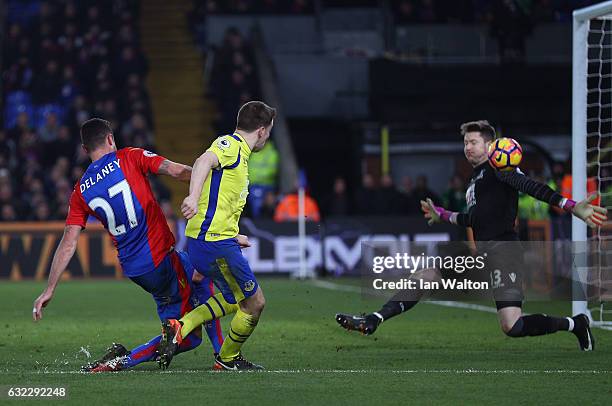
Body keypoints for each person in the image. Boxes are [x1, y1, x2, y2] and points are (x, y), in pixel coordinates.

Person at [336, 120, 607, 351]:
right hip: (482, 254)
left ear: (490, 146)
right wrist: (441, 214)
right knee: (426, 276)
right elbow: (472, 219)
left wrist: (571, 206)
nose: (467, 147)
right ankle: (374, 318)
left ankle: (576, 324)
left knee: (512, 326)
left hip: (505, 253)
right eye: (465, 142)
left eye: (473, 142)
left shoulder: (501, 169)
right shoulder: (476, 180)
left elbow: (530, 186)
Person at [32, 118, 223, 371]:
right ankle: (221, 357)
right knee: (192, 321)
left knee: (196, 287)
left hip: (137, 270)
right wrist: (211, 178)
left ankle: (119, 361)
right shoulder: (129, 157)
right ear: (110, 139)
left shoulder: (80, 191)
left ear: (85, 149)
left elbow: (68, 242)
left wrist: (49, 289)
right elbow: (177, 171)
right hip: (160, 258)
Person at [157, 101, 276, 371]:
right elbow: (203, 161)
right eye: (268, 131)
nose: (268, 136)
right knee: (255, 303)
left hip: (216, 241)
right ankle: (228, 358)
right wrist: (193, 196)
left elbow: (221, 202)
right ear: (260, 131)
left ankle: (181, 326)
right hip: (212, 243)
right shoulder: (230, 145)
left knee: (234, 298)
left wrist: (234, 236)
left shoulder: (241, 157)